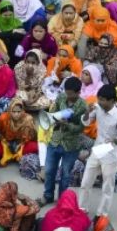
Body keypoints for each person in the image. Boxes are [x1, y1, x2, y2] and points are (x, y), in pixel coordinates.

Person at [78, 85, 117, 216]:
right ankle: (82, 210)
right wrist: (87, 112)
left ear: (112, 101)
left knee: (107, 187)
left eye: (103, 100)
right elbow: (86, 123)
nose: (100, 102)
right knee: (85, 182)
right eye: (99, 99)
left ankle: (102, 215)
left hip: (111, 155)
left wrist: (115, 140)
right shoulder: (97, 108)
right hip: (97, 150)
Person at [41, 77, 87, 206]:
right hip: (55, 140)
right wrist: (54, 117)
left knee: (66, 174)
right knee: (49, 170)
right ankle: (48, 195)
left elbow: (80, 128)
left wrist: (67, 125)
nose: (67, 96)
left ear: (78, 93)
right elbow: (53, 112)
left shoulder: (83, 106)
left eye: (71, 94)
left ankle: (62, 200)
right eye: (66, 92)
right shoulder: (61, 97)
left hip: (71, 145)